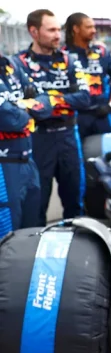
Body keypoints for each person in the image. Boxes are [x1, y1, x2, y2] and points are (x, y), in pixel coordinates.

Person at [14, 9, 91, 224]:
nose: (58, 35)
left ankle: (76, 242)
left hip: (68, 136)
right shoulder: (18, 64)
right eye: (51, 30)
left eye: (59, 30)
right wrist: (63, 99)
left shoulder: (70, 60)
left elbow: (85, 98)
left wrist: (49, 100)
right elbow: (24, 106)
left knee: (75, 201)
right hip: (37, 138)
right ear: (34, 32)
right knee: (36, 204)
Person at [0, 25, 52, 236]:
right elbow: (9, 119)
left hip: (28, 162)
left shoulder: (12, 64)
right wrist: (28, 107)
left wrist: (22, 106)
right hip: (4, 166)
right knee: (7, 237)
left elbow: (45, 101)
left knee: (32, 232)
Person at [64, 13, 111, 140]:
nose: (94, 31)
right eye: (89, 27)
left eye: (94, 27)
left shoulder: (102, 52)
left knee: (108, 150)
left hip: (102, 115)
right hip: (76, 117)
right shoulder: (63, 55)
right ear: (76, 29)